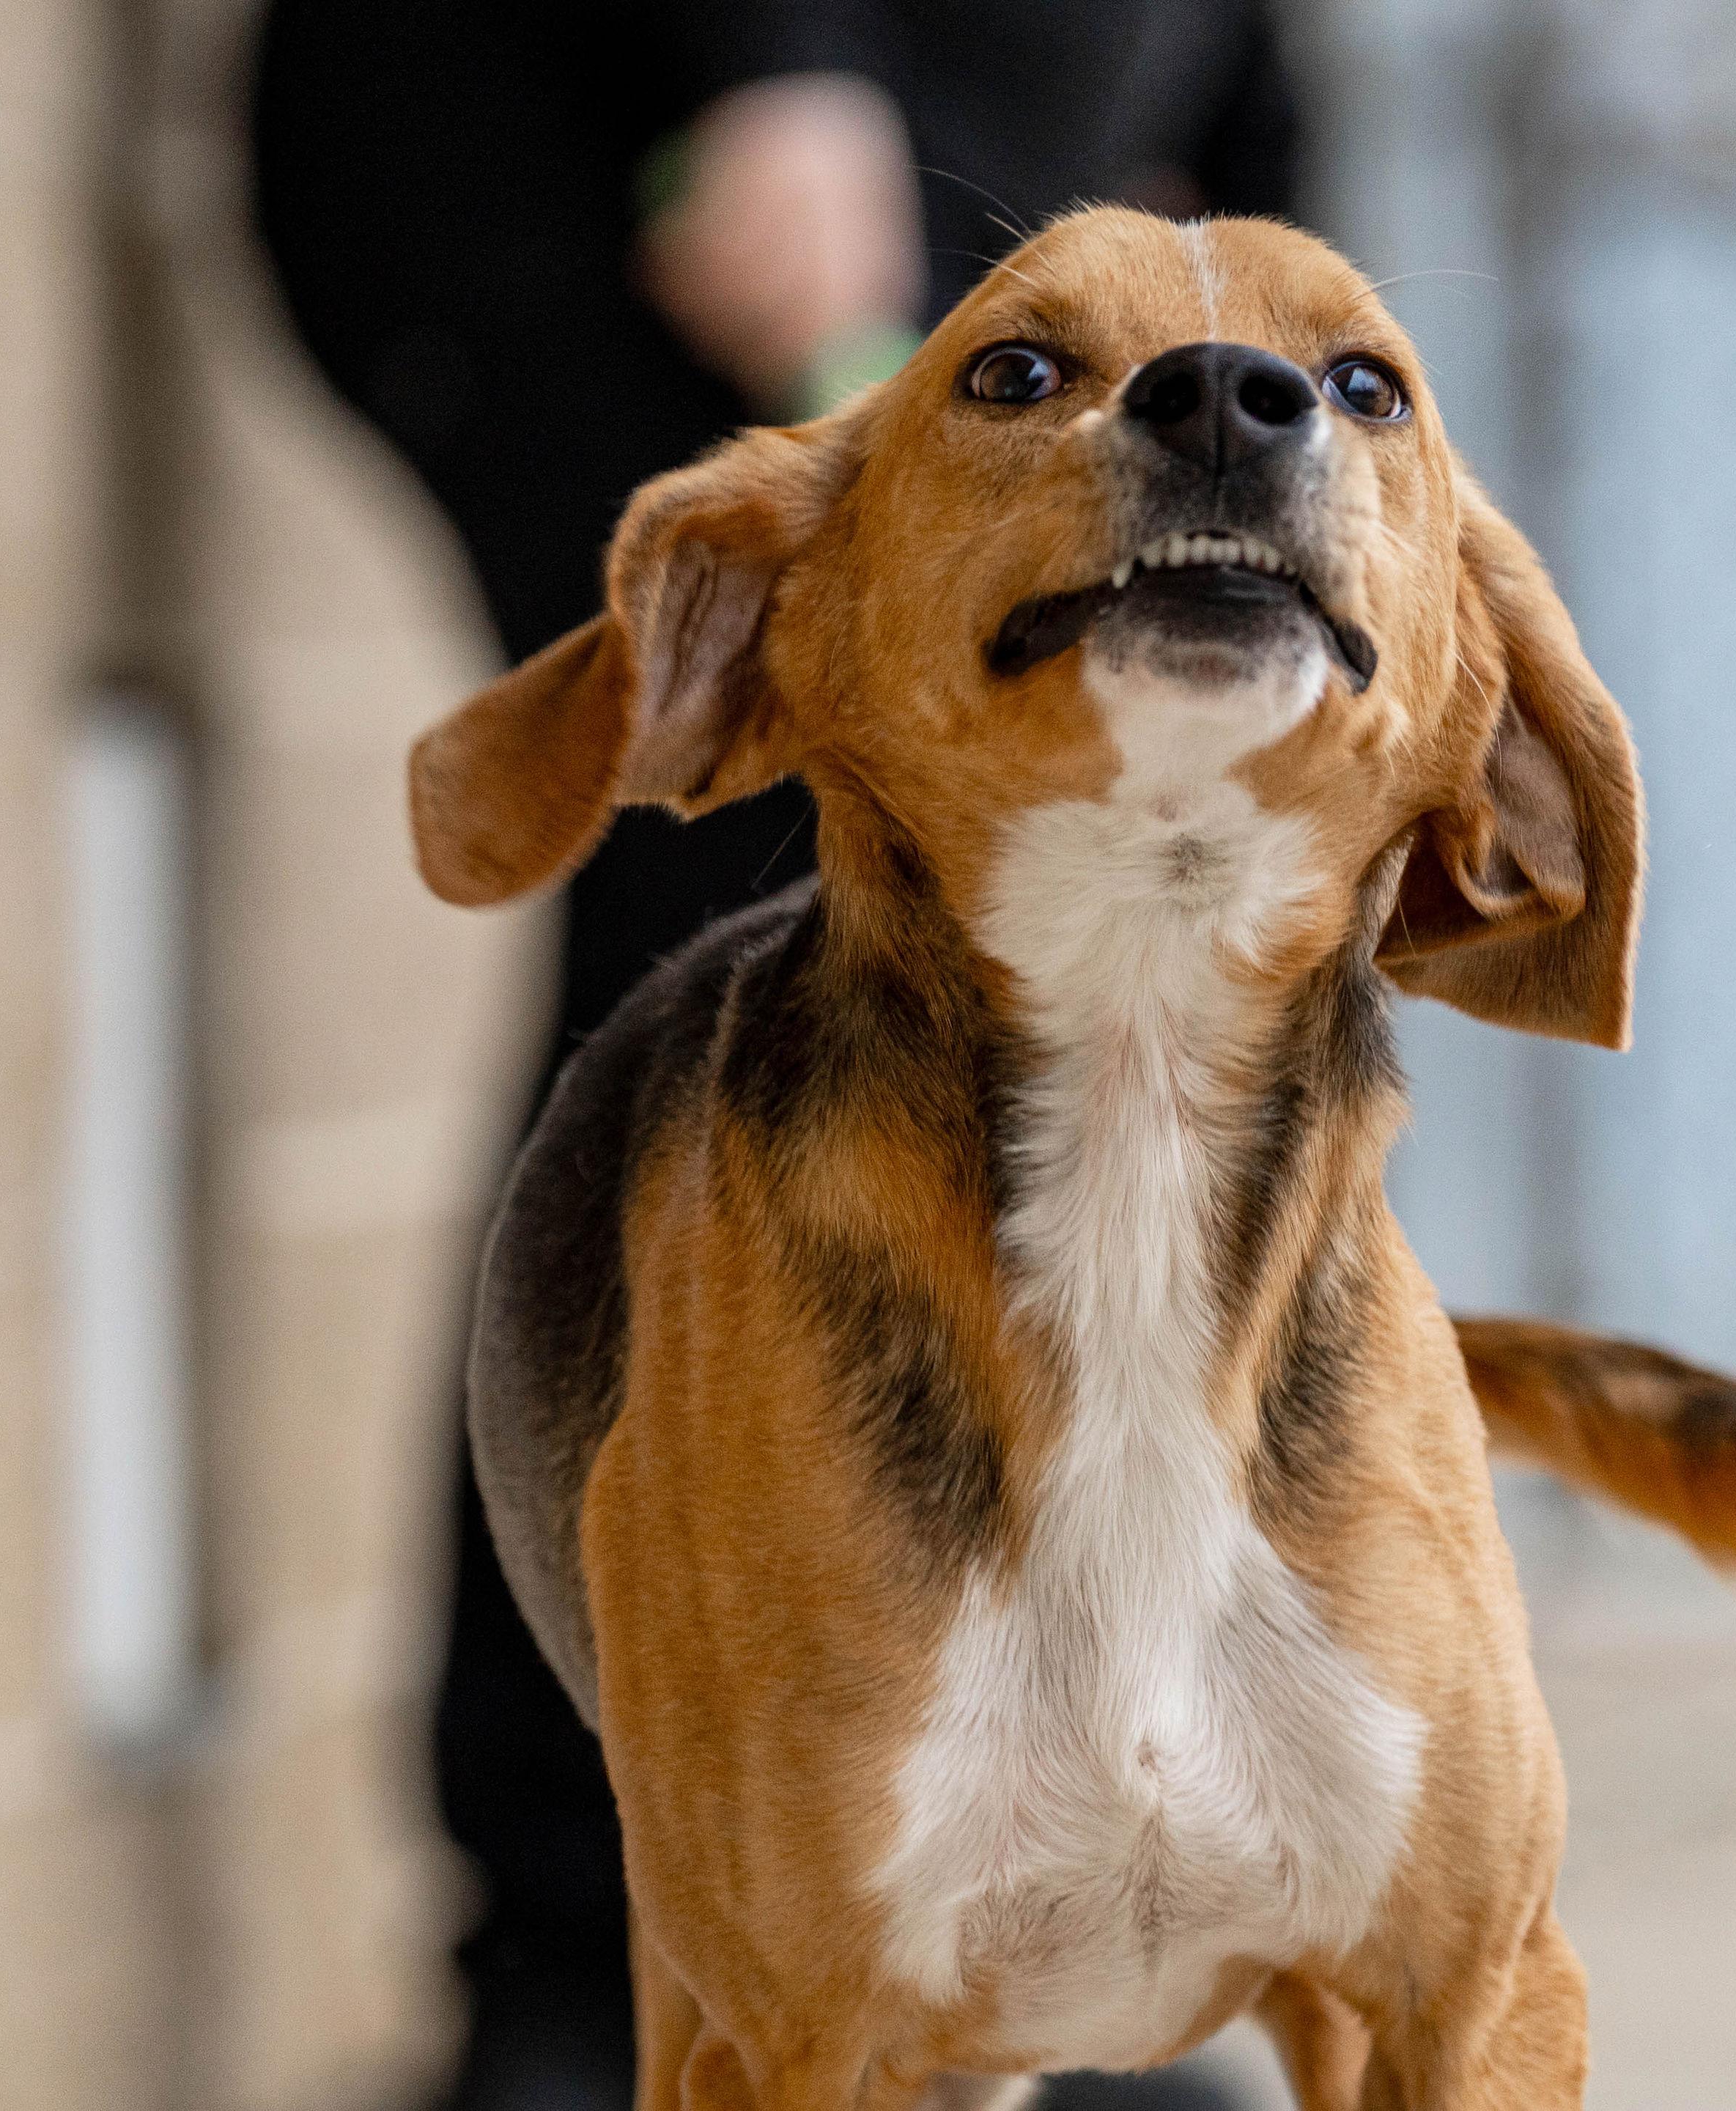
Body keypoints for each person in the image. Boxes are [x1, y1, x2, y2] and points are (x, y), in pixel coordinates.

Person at [250, 7, 1299, 2104]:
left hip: (989, 205)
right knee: (746, 935)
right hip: (638, 158)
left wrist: (1246, 250)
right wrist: (764, 55)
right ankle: (589, 1955)